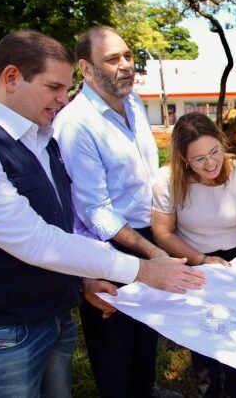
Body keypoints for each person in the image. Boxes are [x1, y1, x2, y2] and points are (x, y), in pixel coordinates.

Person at [0, 30, 204, 398]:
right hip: (3, 333)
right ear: (12, 77)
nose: (63, 99)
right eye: (54, 87)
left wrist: (82, 281)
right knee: (113, 351)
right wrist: (144, 266)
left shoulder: (39, 135)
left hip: (54, 311)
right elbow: (40, 238)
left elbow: (59, 217)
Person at [53, 26, 180, 398]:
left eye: (128, 56)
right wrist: (154, 254)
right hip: (107, 245)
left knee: (146, 326)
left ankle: (146, 388)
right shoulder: (76, 124)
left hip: (147, 229)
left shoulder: (135, 102)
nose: (126, 65)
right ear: (86, 69)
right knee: (112, 339)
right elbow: (94, 211)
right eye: (113, 59)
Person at [152, 112, 236, 397]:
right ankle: (209, 390)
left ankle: (234, 389)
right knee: (202, 332)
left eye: (214, 151)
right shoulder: (167, 180)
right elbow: (163, 232)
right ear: (183, 159)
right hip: (194, 257)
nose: (210, 163)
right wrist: (201, 260)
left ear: (221, 142)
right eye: (199, 159)